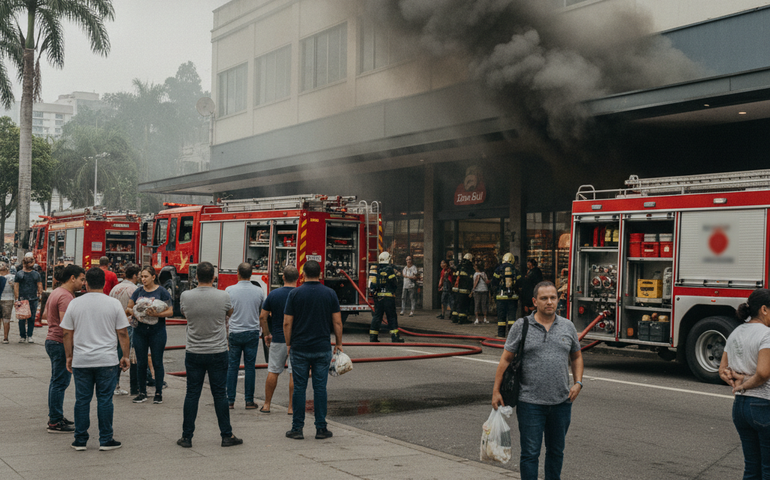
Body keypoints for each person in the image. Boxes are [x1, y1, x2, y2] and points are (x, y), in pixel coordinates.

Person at [492, 281, 584, 480]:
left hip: (561, 403)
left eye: (553, 298)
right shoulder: (522, 325)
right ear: (535, 301)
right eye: (544, 298)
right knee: (530, 454)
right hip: (530, 403)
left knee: (556, 452)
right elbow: (506, 359)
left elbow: (576, 356)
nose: (549, 302)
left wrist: (578, 382)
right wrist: (496, 390)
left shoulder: (567, 326)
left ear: (558, 300)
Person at [61, 267, 130, 451]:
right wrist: (125, 356)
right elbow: (123, 332)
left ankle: (80, 440)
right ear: (105, 283)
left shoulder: (75, 303)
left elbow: (67, 333)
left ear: (86, 283)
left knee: (82, 400)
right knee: (105, 400)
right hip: (107, 360)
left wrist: (69, 356)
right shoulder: (113, 304)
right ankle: (106, 439)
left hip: (82, 360)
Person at [177, 261, 242, 448]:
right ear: (214, 277)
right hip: (218, 351)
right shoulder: (224, 296)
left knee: (192, 394)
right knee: (220, 394)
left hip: (194, 351)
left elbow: (184, 314)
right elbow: (229, 313)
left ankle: (187, 437)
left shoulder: (185, 296)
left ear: (196, 277)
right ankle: (226, 435)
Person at [284, 260, 343, 440]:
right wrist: (339, 343)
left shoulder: (294, 293)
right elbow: (337, 322)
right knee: (320, 388)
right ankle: (321, 428)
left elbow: (287, 322)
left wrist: (288, 344)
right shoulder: (330, 293)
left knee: (300, 389)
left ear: (302, 274)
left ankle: (297, 428)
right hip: (322, 347)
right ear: (320, 274)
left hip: (300, 348)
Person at [718, 289, 770, 478]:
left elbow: (722, 369)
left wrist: (734, 380)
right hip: (763, 404)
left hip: (740, 408)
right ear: (764, 309)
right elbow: (763, 373)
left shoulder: (736, 331)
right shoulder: (767, 334)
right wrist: (744, 384)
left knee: (752, 467)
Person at [45, 264, 85, 433]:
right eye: (82, 279)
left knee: (57, 381)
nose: (83, 283)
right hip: (60, 342)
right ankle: (55, 421)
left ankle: (56, 416)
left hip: (53, 340)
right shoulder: (65, 297)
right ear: (72, 278)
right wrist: (71, 349)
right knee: (59, 383)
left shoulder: (57, 292)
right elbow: (66, 326)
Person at [126, 266, 173, 404]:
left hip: (157, 331)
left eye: (146, 276)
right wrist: (134, 311)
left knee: (157, 362)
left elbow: (170, 311)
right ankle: (142, 392)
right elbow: (128, 308)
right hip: (140, 331)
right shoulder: (138, 291)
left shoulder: (162, 292)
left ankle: (158, 393)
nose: (143, 279)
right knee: (141, 362)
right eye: (141, 276)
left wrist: (156, 314)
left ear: (153, 277)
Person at [225, 262, 265, 409]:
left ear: (238, 273)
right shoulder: (259, 291)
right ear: (251, 274)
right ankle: (249, 401)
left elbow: (226, 312)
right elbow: (263, 312)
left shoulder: (229, 290)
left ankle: (230, 400)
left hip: (235, 332)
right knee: (250, 367)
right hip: (252, 332)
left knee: (232, 367)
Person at [260, 265, 297, 414]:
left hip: (278, 338)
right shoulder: (299, 294)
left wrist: (267, 334)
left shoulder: (274, 294)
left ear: (283, 277)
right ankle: (291, 408)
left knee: (273, 371)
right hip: (295, 340)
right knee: (294, 373)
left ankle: (267, 404)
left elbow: (263, 317)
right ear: (298, 278)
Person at [109, 264, 140, 396]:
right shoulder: (134, 289)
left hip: (113, 324)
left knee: (115, 352)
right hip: (128, 324)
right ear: (134, 275)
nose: (140, 277)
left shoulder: (115, 288)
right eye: (139, 275)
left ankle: (114, 383)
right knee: (124, 355)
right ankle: (115, 384)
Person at [368, 251, 404, 343]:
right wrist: (397, 277)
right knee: (391, 317)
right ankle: (395, 337)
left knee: (377, 317)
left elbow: (371, 285)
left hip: (378, 299)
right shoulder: (390, 269)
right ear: (388, 259)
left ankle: (373, 337)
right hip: (388, 298)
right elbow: (394, 284)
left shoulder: (375, 269)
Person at [492, 253, 522, 339]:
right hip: (512, 297)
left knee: (501, 317)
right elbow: (520, 284)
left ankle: (501, 334)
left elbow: (494, 282)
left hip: (501, 297)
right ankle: (511, 335)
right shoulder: (515, 270)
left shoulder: (498, 270)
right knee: (512, 317)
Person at [14, 255, 42, 343]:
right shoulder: (36, 274)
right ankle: (29, 336)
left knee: (21, 318)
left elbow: (16, 287)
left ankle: (22, 336)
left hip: (22, 298)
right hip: (33, 298)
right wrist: (39, 295)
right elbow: (39, 286)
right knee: (31, 318)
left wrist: (16, 298)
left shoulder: (19, 274)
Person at [452, 253, 474, 325]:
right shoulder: (469, 267)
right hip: (464, 290)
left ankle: (454, 318)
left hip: (456, 289)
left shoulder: (459, 266)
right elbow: (471, 279)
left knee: (456, 304)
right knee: (463, 305)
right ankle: (462, 319)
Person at [0, 263, 13, 343]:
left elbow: (16, 287)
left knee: (6, 319)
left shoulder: (12, 277)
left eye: (2, 264)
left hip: (8, 299)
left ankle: (5, 337)